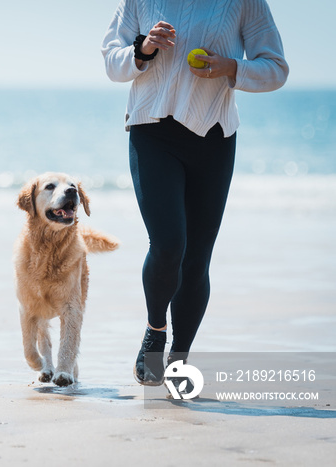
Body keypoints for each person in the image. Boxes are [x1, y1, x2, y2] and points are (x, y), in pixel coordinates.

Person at [101, 0, 289, 385]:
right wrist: (143, 48)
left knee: (196, 259)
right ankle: (156, 331)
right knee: (169, 244)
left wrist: (233, 68)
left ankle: (178, 360)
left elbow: (276, 68)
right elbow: (111, 60)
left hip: (214, 137)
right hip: (152, 130)